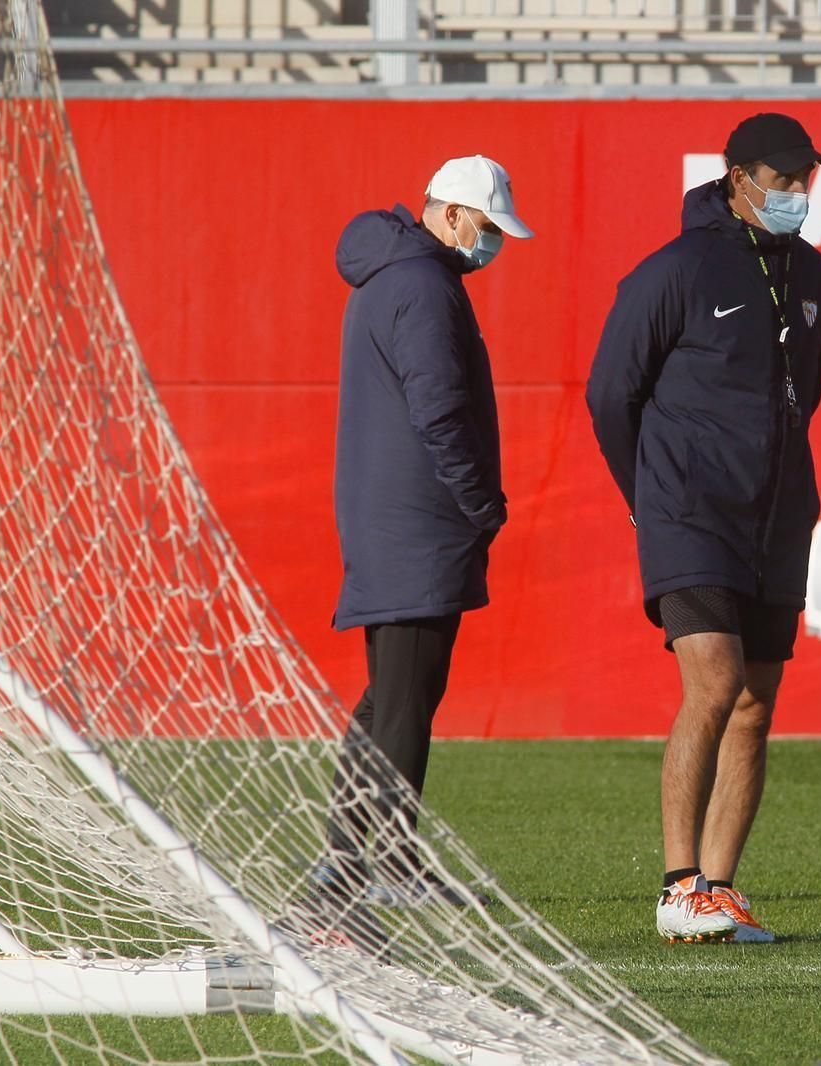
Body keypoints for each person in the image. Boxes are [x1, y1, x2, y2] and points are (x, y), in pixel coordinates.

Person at [587, 114, 821, 944]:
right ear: (737, 177)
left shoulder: (816, 277)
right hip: (688, 510)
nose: (797, 192)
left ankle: (720, 892)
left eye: (807, 178)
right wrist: (648, 493)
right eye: (783, 178)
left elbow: (807, 392)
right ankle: (677, 882)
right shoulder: (677, 268)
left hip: (776, 514)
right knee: (715, 681)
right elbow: (610, 392)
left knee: (757, 706)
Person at [316, 154, 532, 907]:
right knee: (405, 699)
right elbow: (439, 410)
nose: (491, 244)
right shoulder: (424, 285)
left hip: (396, 518)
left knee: (390, 697)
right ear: (448, 214)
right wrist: (481, 504)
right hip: (418, 520)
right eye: (485, 225)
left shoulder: (398, 278)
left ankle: (347, 858)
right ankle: (388, 864)